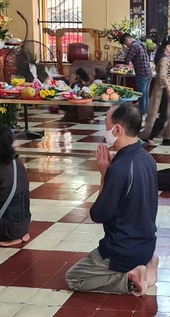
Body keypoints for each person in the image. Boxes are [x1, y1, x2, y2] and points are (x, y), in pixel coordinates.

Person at [65, 103, 160, 296]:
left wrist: (104, 175)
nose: (105, 130)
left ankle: (130, 277)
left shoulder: (119, 168)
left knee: (74, 277)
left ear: (117, 129)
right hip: (147, 244)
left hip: (122, 250)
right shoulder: (147, 158)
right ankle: (147, 263)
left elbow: (98, 214)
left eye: (107, 125)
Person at [140, 35, 170, 146]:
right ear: (168, 46)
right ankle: (149, 135)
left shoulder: (167, 57)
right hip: (164, 90)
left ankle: (167, 136)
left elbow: (168, 72)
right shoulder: (164, 59)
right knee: (164, 114)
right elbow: (162, 76)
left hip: (167, 88)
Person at [122, 33, 153, 115]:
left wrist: (125, 51)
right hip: (148, 72)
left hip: (142, 73)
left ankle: (141, 113)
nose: (127, 46)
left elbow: (127, 59)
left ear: (127, 40)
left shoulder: (134, 46)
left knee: (141, 94)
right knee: (145, 94)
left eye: (126, 44)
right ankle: (145, 111)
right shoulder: (140, 43)